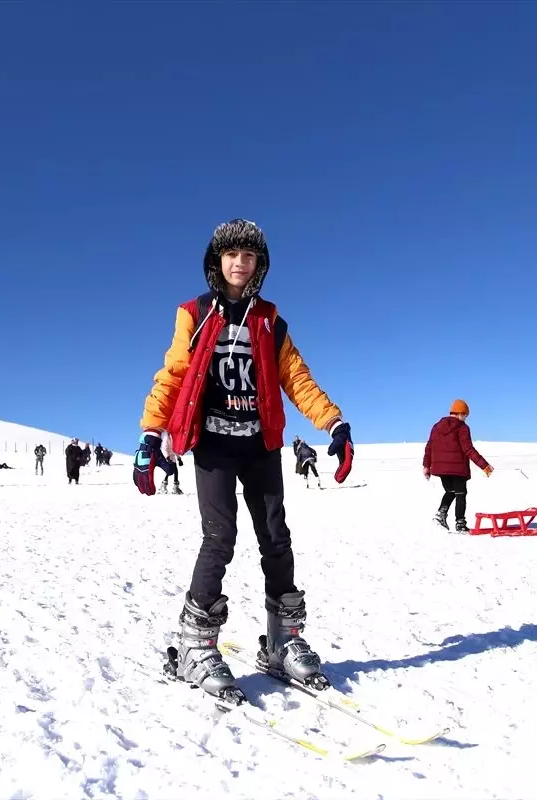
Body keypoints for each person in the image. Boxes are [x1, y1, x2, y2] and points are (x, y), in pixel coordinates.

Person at [136, 219, 353, 706]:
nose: (240, 263)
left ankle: (283, 642)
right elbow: (172, 374)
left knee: (276, 537)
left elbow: (297, 379)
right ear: (217, 261)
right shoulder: (193, 314)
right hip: (213, 444)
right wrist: (151, 434)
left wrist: (333, 423)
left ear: (260, 265)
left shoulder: (270, 322)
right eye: (231, 254)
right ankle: (195, 646)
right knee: (219, 537)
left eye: (249, 256)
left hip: (260, 445)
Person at [423, 400, 494, 531]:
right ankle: (460, 524)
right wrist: (484, 466)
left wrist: (426, 466)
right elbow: (468, 450)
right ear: (461, 413)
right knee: (461, 494)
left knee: (450, 491)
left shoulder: (436, 426)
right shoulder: (462, 428)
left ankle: (441, 514)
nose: (466, 419)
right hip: (457, 468)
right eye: (466, 415)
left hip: (441, 469)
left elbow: (429, 447)